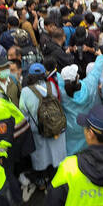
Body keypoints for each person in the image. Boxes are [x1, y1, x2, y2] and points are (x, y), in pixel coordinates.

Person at [19, 62, 66, 198]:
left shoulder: (25, 92)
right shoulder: (52, 86)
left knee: (41, 158)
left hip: (38, 131)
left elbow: (23, 113)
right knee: (55, 156)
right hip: (56, 128)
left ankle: (41, 183)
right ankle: (55, 182)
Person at [57, 51, 103, 155]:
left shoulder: (61, 90)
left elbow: (54, 74)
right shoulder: (89, 86)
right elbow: (96, 71)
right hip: (85, 128)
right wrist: (100, 56)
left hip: (69, 130)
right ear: (77, 77)